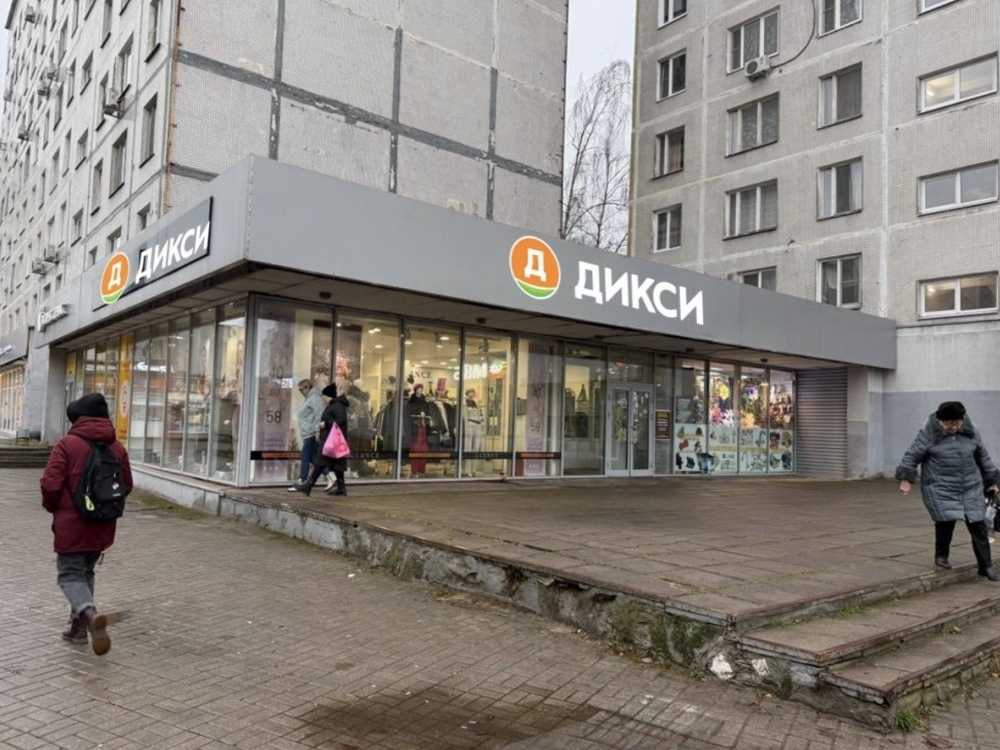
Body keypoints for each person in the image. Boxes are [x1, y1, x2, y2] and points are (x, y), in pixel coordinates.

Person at [40, 392, 133, 655]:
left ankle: (89, 617)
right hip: (103, 525)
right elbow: (126, 485)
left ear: (79, 418)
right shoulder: (117, 448)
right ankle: (78, 628)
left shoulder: (67, 444)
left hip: (73, 524)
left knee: (70, 574)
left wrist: (55, 507)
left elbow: (50, 484)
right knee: (86, 572)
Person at [896, 401, 1000, 580]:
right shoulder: (928, 435)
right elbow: (912, 456)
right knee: (945, 521)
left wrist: (992, 481)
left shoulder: (971, 434)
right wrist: (906, 479)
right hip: (941, 487)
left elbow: (984, 457)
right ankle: (941, 556)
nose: (954, 427)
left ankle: (986, 566)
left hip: (971, 485)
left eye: (957, 423)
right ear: (940, 421)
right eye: (949, 424)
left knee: (978, 524)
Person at [294, 383, 349, 496]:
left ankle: (308, 485)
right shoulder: (333, 405)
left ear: (329, 396)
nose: (322, 399)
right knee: (337, 465)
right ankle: (341, 488)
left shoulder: (337, 406)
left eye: (324, 396)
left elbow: (340, 421)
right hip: (331, 439)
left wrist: (325, 424)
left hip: (331, 440)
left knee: (320, 463)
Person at [288, 379, 332, 492]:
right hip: (308, 432)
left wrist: (318, 432)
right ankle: (330, 475)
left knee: (305, 456)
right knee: (313, 458)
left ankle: (302, 480)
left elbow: (319, 416)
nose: (300, 392)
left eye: (301, 389)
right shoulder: (309, 398)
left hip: (311, 433)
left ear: (308, 387)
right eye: (299, 390)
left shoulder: (314, 398)